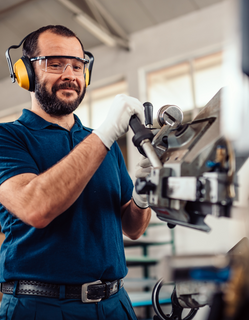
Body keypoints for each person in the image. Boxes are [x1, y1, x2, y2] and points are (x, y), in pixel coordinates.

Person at [0, 25, 152, 320]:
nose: (69, 74)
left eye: (78, 65)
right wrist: (107, 133)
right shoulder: (8, 138)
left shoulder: (102, 143)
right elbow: (35, 207)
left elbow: (133, 228)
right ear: (25, 73)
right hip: (40, 308)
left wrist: (144, 196)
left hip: (115, 303)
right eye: (55, 64)